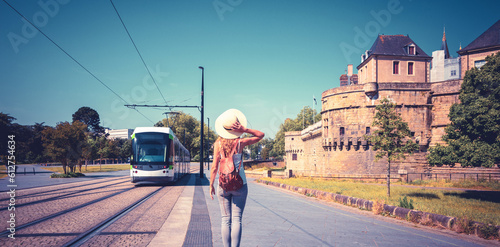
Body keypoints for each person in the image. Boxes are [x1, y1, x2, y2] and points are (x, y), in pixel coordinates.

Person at [210, 109, 264, 247]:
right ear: (236, 128)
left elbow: (214, 167)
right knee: (237, 219)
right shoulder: (240, 143)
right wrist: (245, 129)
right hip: (240, 184)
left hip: (223, 185)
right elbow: (260, 135)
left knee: (225, 220)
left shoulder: (218, 144)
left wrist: (211, 185)